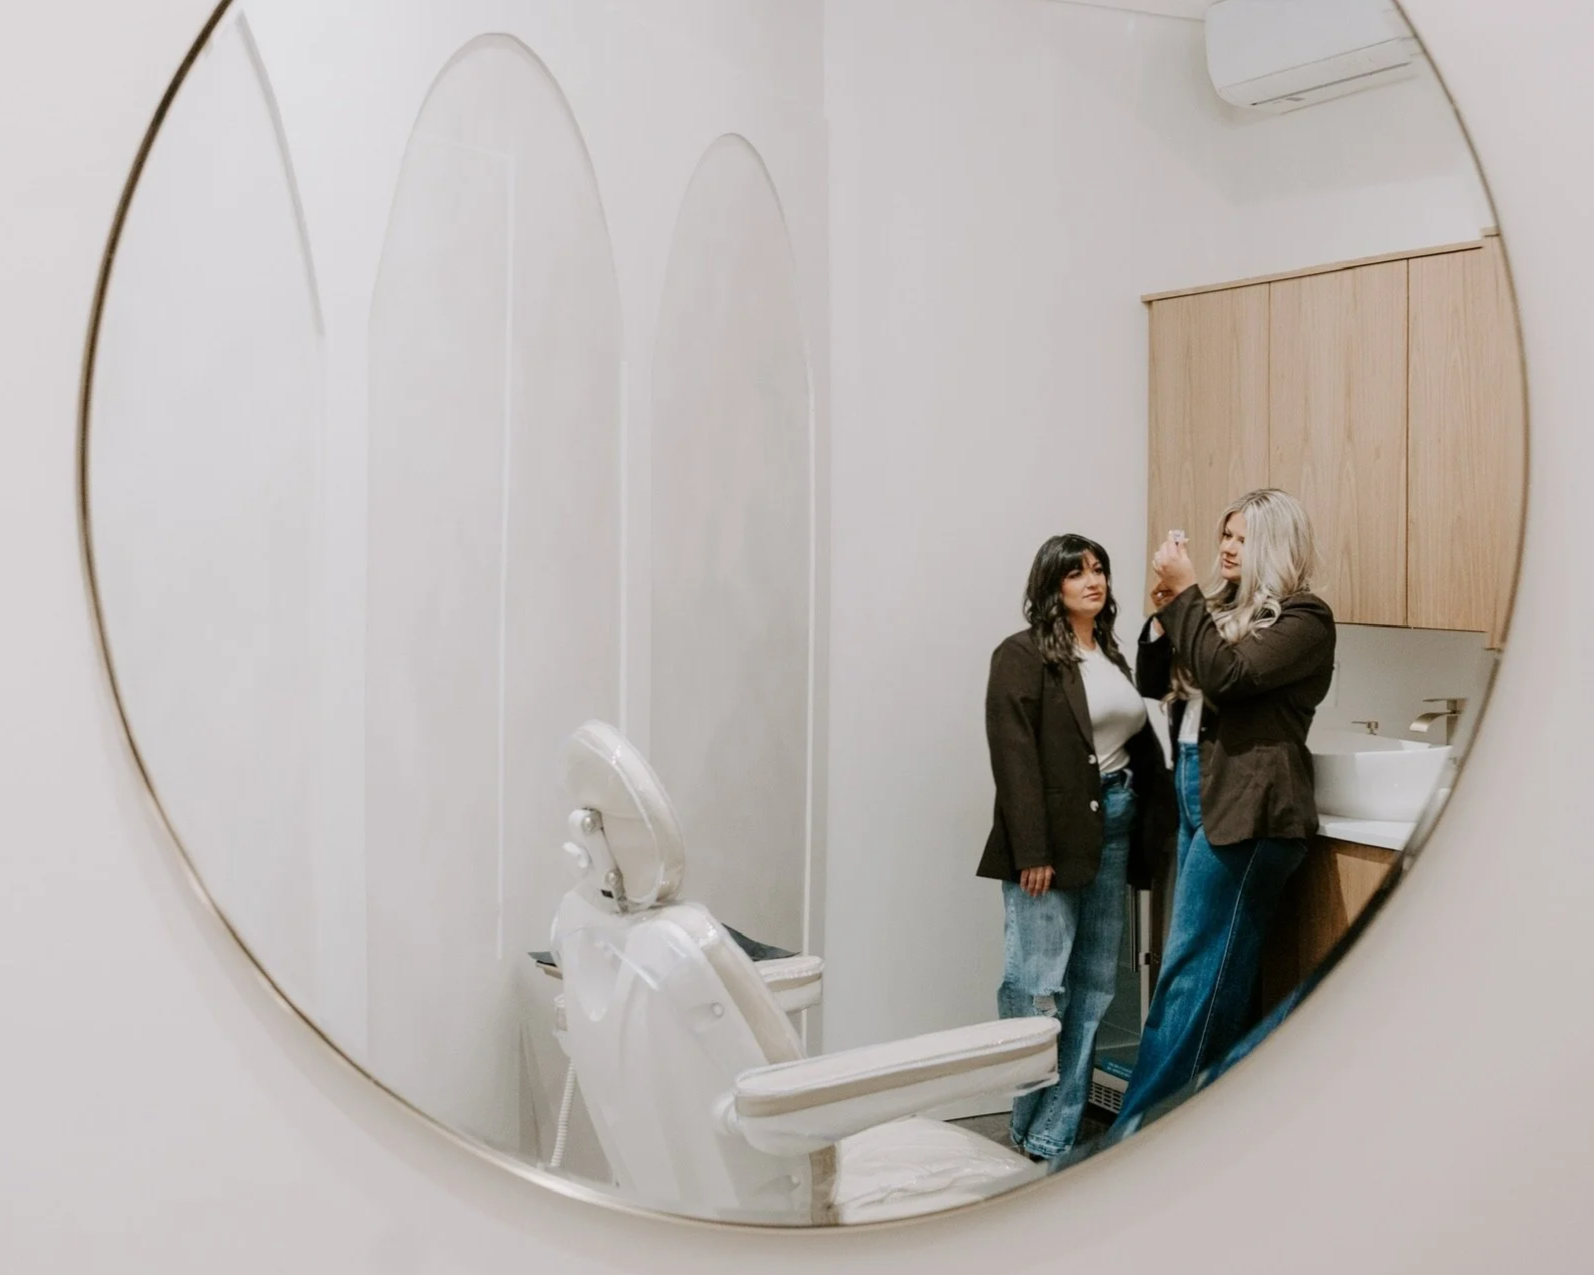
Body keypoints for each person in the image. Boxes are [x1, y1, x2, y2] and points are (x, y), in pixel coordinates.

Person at [1114, 488, 1336, 1127]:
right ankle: (1203, 1131)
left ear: (1274, 545)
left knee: (1191, 978)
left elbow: (1228, 678)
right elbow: (1154, 682)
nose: (1228, 547)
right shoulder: (1218, 610)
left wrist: (1186, 598)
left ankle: (1136, 1138)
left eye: (1243, 538)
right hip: (1199, 786)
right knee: (1209, 981)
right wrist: (1167, 614)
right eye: (1226, 535)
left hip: (1251, 804)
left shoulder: (1304, 620)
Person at [977, 534, 1175, 1160]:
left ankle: (1054, 1133)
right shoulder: (1022, 654)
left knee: (1092, 987)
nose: (1093, 581)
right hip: (1051, 841)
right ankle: (1024, 1125)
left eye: (1099, 570)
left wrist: (1165, 619)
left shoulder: (1109, 653)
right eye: (1076, 573)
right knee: (1037, 986)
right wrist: (1031, 850)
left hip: (1113, 825)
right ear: (1051, 585)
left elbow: (1143, 719)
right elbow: (1014, 759)